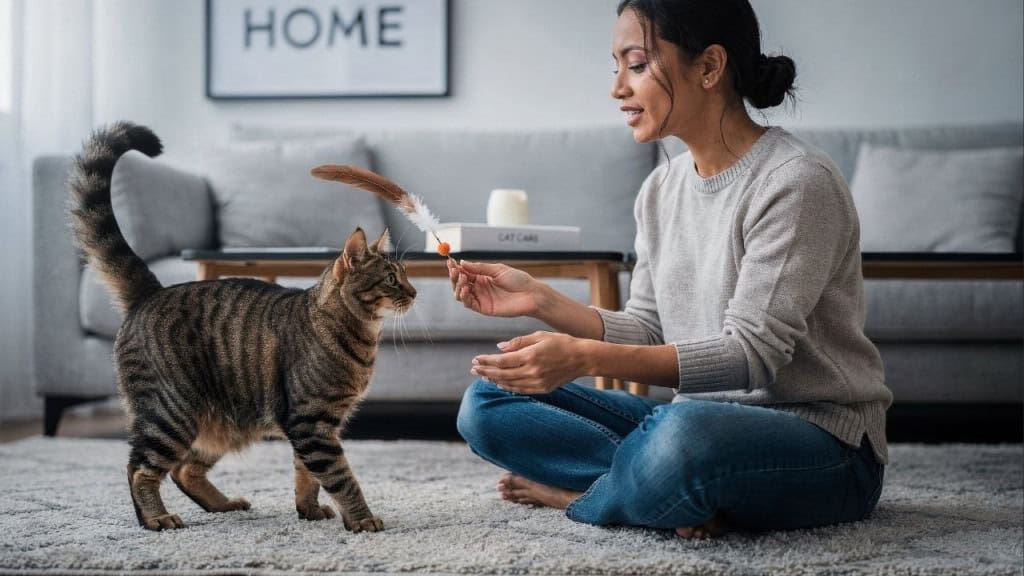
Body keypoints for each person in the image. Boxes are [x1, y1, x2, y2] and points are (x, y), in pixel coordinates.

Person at [450, 0, 891, 539]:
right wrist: (542, 301)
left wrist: (584, 356)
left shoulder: (795, 182)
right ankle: (663, 491)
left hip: (822, 445)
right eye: (616, 67)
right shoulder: (661, 188)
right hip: (693, 423)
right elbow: (650, 328)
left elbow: (751, 355)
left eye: (636, 65)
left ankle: (587, 495)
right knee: (487, 403)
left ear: (709, 66)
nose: (617, 88)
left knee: (682, 438)